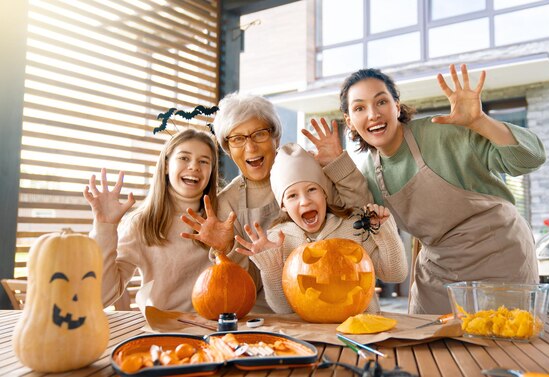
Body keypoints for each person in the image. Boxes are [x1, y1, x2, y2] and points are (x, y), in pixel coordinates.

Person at [307, 64, 546, 314]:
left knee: (500, 344)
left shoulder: (443, 133)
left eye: (381, 102)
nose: (373, 114)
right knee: (427, 344)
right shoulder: (368, 173)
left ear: (396, 107)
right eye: (359, 108)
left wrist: (480, 122)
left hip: (500, 255)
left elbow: (530, 159)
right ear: (350, 122)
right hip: (439, 271)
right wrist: (336, 163)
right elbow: (361, 219)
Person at [179, 93, 372, 312]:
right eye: (238, 139)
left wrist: (339, 163)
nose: (250, 148)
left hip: (335, 302)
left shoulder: (308, 171)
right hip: (268, 318)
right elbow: (240, 287)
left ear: (275, 137)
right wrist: (228, 248)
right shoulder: (227, 203)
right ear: (228, 149)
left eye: (259, 134)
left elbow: (362, 217)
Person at [234, 143, 408, 314]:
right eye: (292, 195)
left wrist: (384, 229)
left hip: (360, 332)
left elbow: (395, 274)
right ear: (283, 205)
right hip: (313, 338)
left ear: (324, 193)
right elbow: (283, 309)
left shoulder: (351, 227)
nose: (305, 201)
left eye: (311, 189)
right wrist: (271, 265)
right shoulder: (278, 240)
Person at [83, 128, 220, 311]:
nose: (194, 166)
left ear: (211, 172)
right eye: (184, 158)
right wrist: (105, 227)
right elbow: (101, 297)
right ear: (165, 166)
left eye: (204, 161)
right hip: (163, 333)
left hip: (216, 331)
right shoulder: (142, 223)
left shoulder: (223, 217)